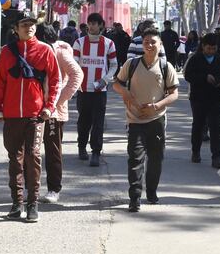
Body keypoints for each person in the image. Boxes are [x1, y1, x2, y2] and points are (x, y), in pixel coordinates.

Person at [0, 11, 60, 223]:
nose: (29, 27)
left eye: (32, 24)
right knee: (15, 158)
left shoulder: (45, 50)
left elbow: (56, 80)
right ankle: (17, 202)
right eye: (24, 24)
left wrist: (50, 106)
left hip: (35, 114)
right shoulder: (6, 52)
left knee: (33, 156)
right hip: (12, 115)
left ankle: (33, 203)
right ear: (16, 28)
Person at [112, 28, 179, 212]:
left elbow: (174, 94)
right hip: (134, 120)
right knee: (135, 158)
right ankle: (134, 197)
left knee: (156, 159)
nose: (149, 45)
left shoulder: (166, 67)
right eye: (146, 42)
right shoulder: (131, 64)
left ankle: (151, 191)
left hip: (156, 120)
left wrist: (156, 106)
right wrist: (124, 92)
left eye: (153, 42)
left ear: (160, 45)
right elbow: (116, 83)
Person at [36, 23, 83, 204]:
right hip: (34, 108)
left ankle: (54, 188)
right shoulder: (33, 51)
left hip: (53, 112)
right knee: (30, 149)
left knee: (52, 150)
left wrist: (58, 101)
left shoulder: (60, 52)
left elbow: (77, 75)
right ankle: (29, 186)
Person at [73, 12, 118, 167]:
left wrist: (105, 80)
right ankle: (81, 147)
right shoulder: (79, 42)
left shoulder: (109, 44)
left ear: (101, 26)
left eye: (94, 23)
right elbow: (74, 64)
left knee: (98, 122)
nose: (91, 26)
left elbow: (114, 65)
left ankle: (96, 152)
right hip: (83, 90)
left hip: (100, 91)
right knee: (83, 121)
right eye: (89, 23)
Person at [183, 33, 220, 168]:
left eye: (214, 48)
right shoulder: (195, 59)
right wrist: (204, 77)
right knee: (198, 126)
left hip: (216, 99)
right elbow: (188, 75)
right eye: (209, 48)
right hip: (198, 98)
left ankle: (216, 156)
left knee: (215, 127)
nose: (211, 51)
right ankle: (195, 152)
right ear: (203, 47)